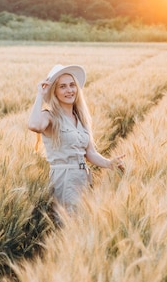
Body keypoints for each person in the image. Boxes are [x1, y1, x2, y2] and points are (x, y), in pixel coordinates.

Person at [28, 64, 125, 212]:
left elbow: (90, 153)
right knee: (69, 223)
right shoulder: (50, 116)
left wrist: (109, 163)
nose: (69, 90)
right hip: (64, 178)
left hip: (83, 177)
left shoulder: (81, 118)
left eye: (72, 85)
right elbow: (34, 125)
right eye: (63, 86)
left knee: (83, 224)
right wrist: (40, 95)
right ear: (54, 91)